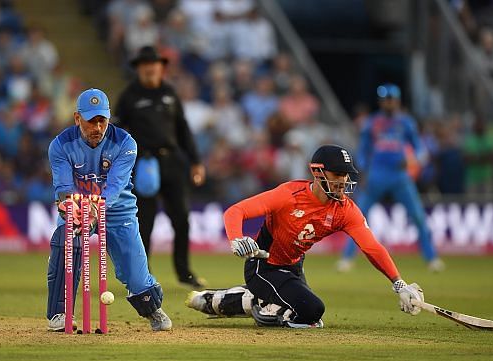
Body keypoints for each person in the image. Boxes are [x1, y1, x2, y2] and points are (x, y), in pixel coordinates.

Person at [185, 145, 425, 328]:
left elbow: (371, 247)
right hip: (263, 267)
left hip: (293, 268)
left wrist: (398, 283)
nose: (343, 181)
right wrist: (236, 239)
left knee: (305, 312)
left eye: (346, 174)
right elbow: (235, 211)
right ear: (318, 173)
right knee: (312, 311)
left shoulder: (345, 210)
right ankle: (262, 303)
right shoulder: (289, 195)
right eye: (338, 174)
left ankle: (237, 300)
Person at [46, 88, 172, 332]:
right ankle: (59, 313)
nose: (97, 127)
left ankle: (151, 307)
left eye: (102, 120)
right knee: (65, 242)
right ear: (77, 118)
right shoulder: (60, 145)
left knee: (136, 274)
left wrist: (96, 206)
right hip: (79, 207)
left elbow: (115, 186)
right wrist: (71, 205)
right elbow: (63, 186)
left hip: (118, 210)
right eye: (91, 121)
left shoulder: (125, 143)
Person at [114, 45, 207, 288]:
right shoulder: (129, 96)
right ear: (139, 69)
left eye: (153, 64)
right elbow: (117, 131)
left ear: (160, 67)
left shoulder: (169, 93)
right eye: (144, 65)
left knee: (182, 219)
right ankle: (143, 274)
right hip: (143, 164)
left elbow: (183, 128)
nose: (149, 68)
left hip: (173, 163)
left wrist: (196, 161)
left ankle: (184, 273)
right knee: (144, 223)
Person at [336, 84, 444, 273]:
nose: (388, 103)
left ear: (398, 100)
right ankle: (347, 258)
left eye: (391, 99)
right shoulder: (371, 122)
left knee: (418, 216)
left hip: (399, 176)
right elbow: (363, 151)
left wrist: (413, 161)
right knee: (355, 217)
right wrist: (363, 171)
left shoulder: (406, 122)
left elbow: (419, 148)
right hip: (376, 175)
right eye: (385, 99)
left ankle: (432, 258)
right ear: (381, 101)